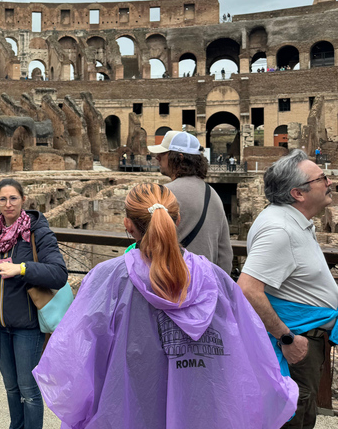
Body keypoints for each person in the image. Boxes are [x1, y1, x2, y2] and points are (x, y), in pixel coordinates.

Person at [33, 183, 298, 428]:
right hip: (203, 410)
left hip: (130, 407)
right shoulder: (215, 278)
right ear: (177, 221)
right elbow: (249, 349)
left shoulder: (108, 278)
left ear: (128, 225)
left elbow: (72, 356)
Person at [238, 150, 338, 429]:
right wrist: (287, 339)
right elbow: (247, 289)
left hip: (308, 338)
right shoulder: (279, 230)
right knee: (294, 415)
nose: (329, 181)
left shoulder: (293, 221)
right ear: (298, 193)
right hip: (297, 343)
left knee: (302, 411)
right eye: (322, 178)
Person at [0, 178, 67, 429]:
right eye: (3, 199)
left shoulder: (37, 232)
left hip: (27, 324)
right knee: (10, 387)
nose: (8, 204)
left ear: (23, 200)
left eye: (13, 198)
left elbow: (58, 273)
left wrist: (21, 269)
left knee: (28, 389)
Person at [148, 131, 233, 273]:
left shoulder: (163, 194)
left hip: (171, 284)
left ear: (179, 158)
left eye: (163, 154)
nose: (157, 157)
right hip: (205, 284)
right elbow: (225, 253)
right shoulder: (212, 194)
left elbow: (150, 243)